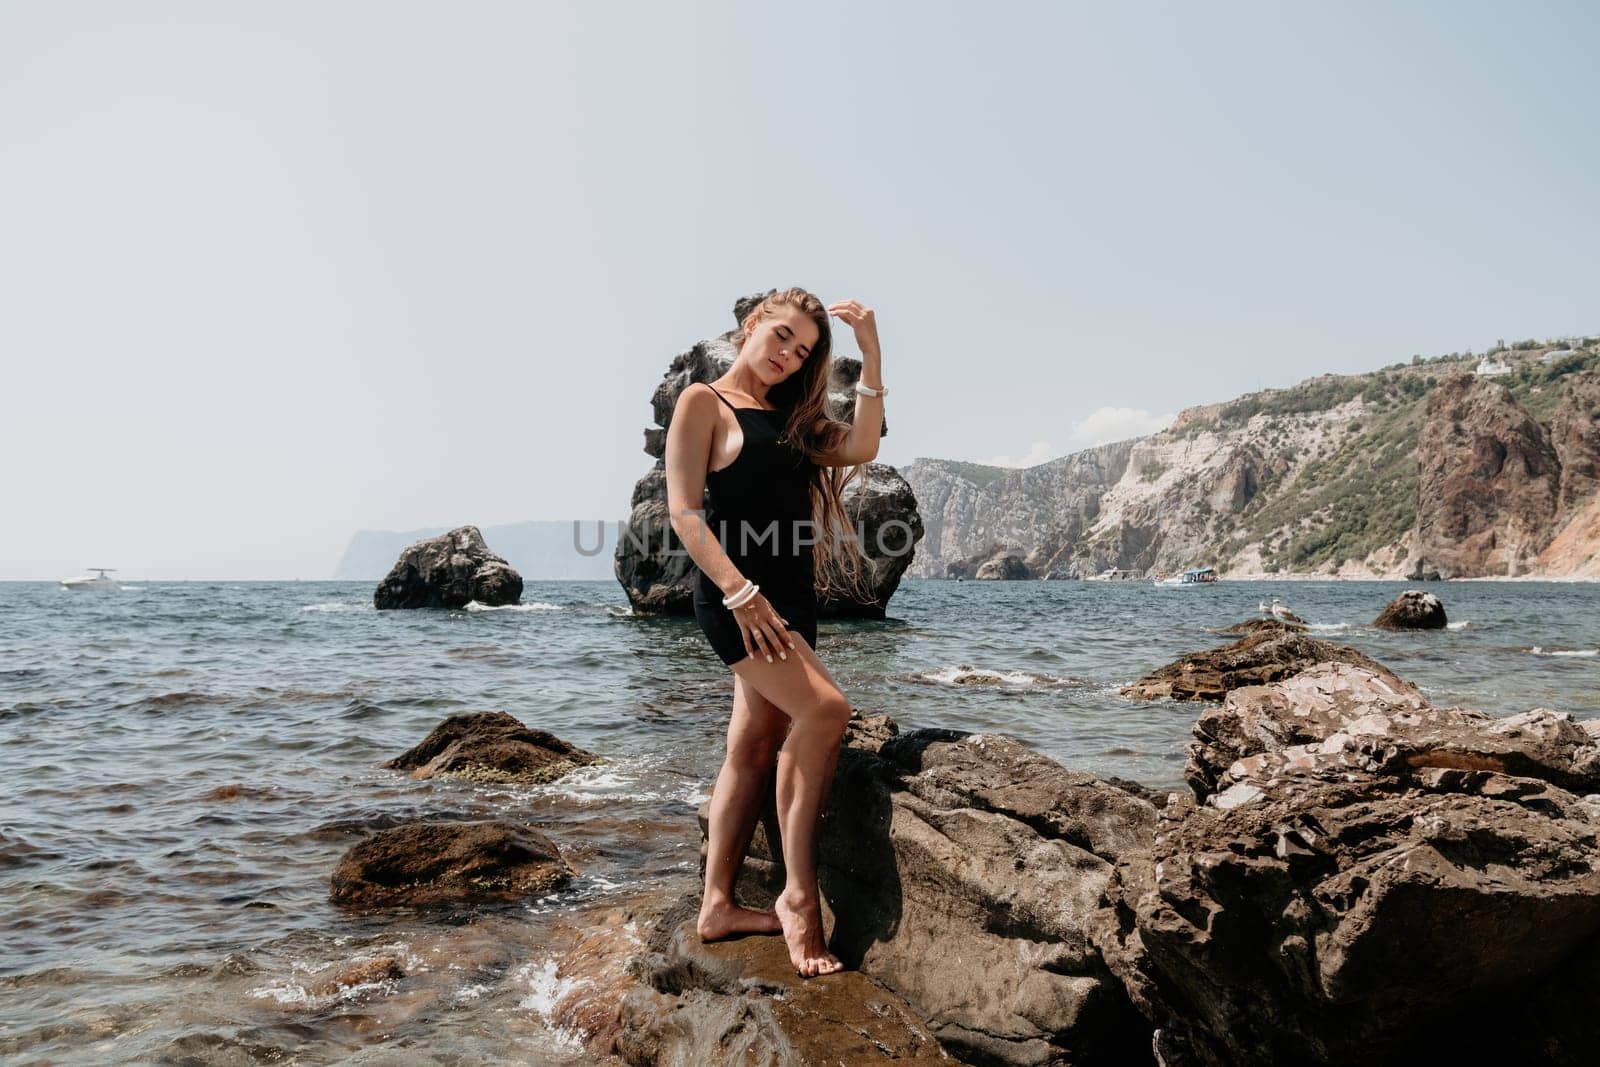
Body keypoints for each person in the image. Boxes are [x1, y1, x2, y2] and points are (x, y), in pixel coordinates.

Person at [663, 287, 887, 977]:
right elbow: (684, 514)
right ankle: (797, 896)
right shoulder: (704, 402)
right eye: (781, 337)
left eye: (803, 351)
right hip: (737, 602)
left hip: (791, 598)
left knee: (754, 740)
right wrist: (740, 592)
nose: (788, 356)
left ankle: (719, 905)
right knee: (826, 709)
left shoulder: (794, 418)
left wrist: (871, 351)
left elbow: (864, 444)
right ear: (752, 324)